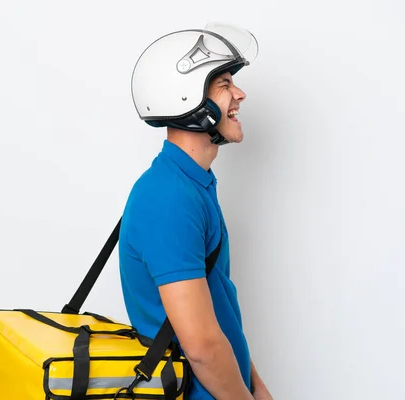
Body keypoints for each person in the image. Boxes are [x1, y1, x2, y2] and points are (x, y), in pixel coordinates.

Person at [119, 23, 272, 399]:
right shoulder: (169, 199)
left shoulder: (191, 183)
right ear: (189, 101)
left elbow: (217, 311)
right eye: (223, 84)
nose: (239, 93)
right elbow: (202, 346)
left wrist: (256, 385)